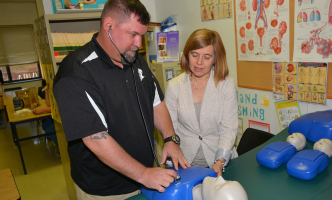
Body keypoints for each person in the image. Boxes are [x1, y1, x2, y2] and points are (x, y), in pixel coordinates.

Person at [53, 0, 190, 199]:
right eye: (133, 34)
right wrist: (143, 174)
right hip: (106, 190)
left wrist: (170, 139)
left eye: (142, 36)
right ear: (109, 26)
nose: (139, 44)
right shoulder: (76, 72)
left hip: (146, 179)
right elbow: (95, 139)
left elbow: (155, 102)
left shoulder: (133, 58)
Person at [164, 29, 238, 177]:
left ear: (215, 58)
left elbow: (228, 129)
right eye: (194, 55)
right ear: (187, 55)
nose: (199, 62)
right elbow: (169, 129)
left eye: (207, 57)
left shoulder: (226, 85)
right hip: (184, 164)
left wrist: (220, 160)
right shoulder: (174, 86)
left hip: (220, 163)